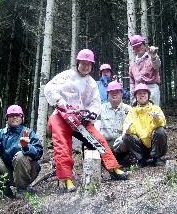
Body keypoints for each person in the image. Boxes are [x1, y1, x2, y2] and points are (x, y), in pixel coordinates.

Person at [44, 49, 129, 193]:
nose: (85, 67)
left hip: (80, 118)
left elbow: (95, 104)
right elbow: (49, 88)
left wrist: (91, 115)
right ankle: (66, 179)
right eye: (83, 63)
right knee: (62, 145)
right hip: (61, 115)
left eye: (89, 64)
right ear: (78, 63)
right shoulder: (66, 76)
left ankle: (113, 168)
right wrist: (60, 102)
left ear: (92, 66)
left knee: (97, 139)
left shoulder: (91, 83)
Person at [0, 104, 43, 203]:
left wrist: (27, 147)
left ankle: (22, 189)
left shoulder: (28, 133)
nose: (14, 117)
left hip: (28, 172)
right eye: (11, 115)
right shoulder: (0, 133)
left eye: (17, 115)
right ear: (7, 118)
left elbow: (38, 153)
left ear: (22, 118)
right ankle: (4, 191)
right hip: (9, 172)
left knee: (21, 155)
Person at [121, 83, 167, 168]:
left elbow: (162, 124)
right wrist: (128, 130)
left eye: (144, 93)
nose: (142, 95)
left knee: (160, 131)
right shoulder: (132, 111)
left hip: (154, 143)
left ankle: (156, 157)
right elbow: (129, 127)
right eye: (139, 93)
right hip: (141, 145)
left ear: (148, 95)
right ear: (136, 96)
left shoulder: (155, 108)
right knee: (126, 137)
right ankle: (141, 160)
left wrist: (157, 119)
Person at [95, 81, 131, 165]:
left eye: (117, 92)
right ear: (108, 95)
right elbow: (94, 125)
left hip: (122, 144)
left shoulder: (128, 110)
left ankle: (123, 159)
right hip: (105, 144)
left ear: (121, 94)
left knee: (124, 141)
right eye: (111, 92)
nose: (114, 94)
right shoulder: (100, 109)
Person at [129, 34, 161, 106]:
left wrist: (154, 57)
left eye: (140, 46)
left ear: (144, 46)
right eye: (135, 47)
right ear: (133, 49)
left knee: (152, 113)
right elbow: (132, 83)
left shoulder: (151, 57)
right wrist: (132, 98)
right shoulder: (132, 64)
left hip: (151, 89)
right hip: (138, 91)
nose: (138, 48)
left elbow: (157, 65)